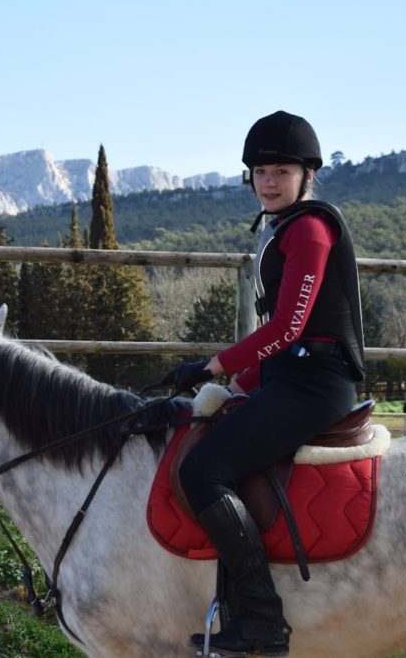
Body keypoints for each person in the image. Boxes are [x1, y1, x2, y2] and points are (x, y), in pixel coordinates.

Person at [164, 110, 366, 656]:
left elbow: (289, 328)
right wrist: (232, 386)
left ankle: (262, 620)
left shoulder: (310, 230)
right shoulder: (280, 231)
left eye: (280, 171)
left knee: (205, 469)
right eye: (260, 172)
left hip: (316, 386)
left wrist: (215, 367)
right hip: (289, 376)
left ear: (305, 175)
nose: (269, 182)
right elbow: (282, 348)